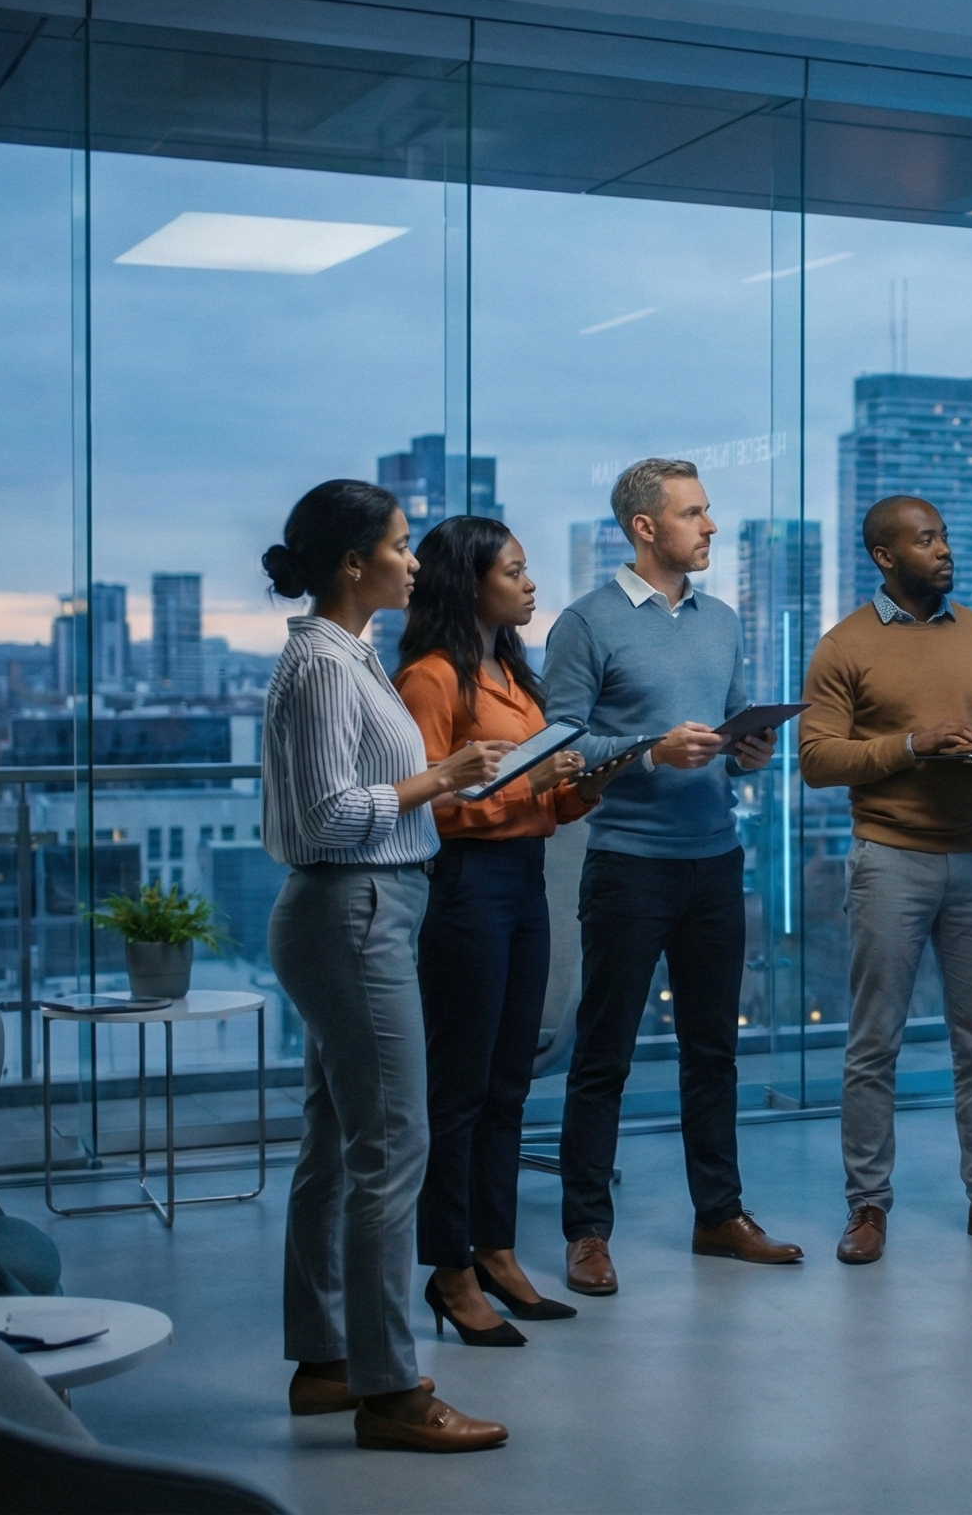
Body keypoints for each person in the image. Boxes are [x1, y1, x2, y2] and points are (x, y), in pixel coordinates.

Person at [261, 479, 510, 1452]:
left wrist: (433, 784)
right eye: (402, 546)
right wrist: (439, 778)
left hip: (360, 911)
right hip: (355, 911)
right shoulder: (326, 669)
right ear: (354, 562)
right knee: (391, 1152)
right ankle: (391, 1391)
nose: (416, 561)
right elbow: (327, 817)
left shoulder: (343, 658)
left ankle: (327, 1359)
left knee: (336, 1149)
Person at [540, 458, 798, 1296]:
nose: (711, 526)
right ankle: (586, 1231)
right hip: (627, 868)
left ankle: (718, 1215)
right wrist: (647, 749)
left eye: (708, 511)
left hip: (715, 862)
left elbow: (728, 740)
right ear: (645, 528)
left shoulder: (722, 619)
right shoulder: (585, 624)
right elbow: (559, 754)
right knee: (604, 1055)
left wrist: (750, 753)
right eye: (694, 514)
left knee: (712, 1051)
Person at [799, 495, 972, 1265]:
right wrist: (910, 744)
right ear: (886, 556)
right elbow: (817, 760)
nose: (943, 550)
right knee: (872, 1043)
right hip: (890, 860)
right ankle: (868, 1207)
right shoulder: (843, 644)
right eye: (925, 539)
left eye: (943, 536)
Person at [396, 516, 627, 1345]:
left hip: (525, 884)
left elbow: (549, 803)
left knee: (507, 1086)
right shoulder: (431, 679)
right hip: (467, 888)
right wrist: (525, 788)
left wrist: (586, 776)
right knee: (457, 1093)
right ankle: (448, 1270)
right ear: (472, 584)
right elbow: (425, 800)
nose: (532, 586)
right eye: (516, 572)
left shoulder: (516, 678)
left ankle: (495, 1250)